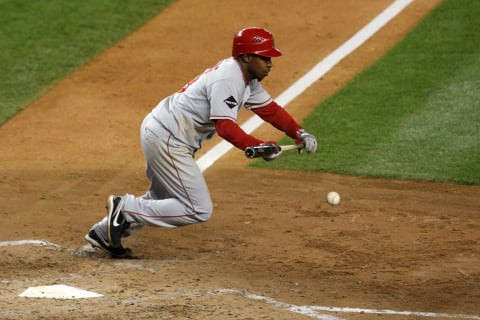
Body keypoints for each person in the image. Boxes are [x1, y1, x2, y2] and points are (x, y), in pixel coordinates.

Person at [85, 27, 317, 258]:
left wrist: (299, 132)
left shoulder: (247, 81)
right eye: (264, 57)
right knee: (197, 209)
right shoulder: (229, 78)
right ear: (246, 56)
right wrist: (255, 146)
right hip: (168, 137)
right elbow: (224, 127)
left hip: (163, 131)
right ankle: (124, 208)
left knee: (161, 199)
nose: (270, 63)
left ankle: (102, 234)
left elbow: (270, 110)